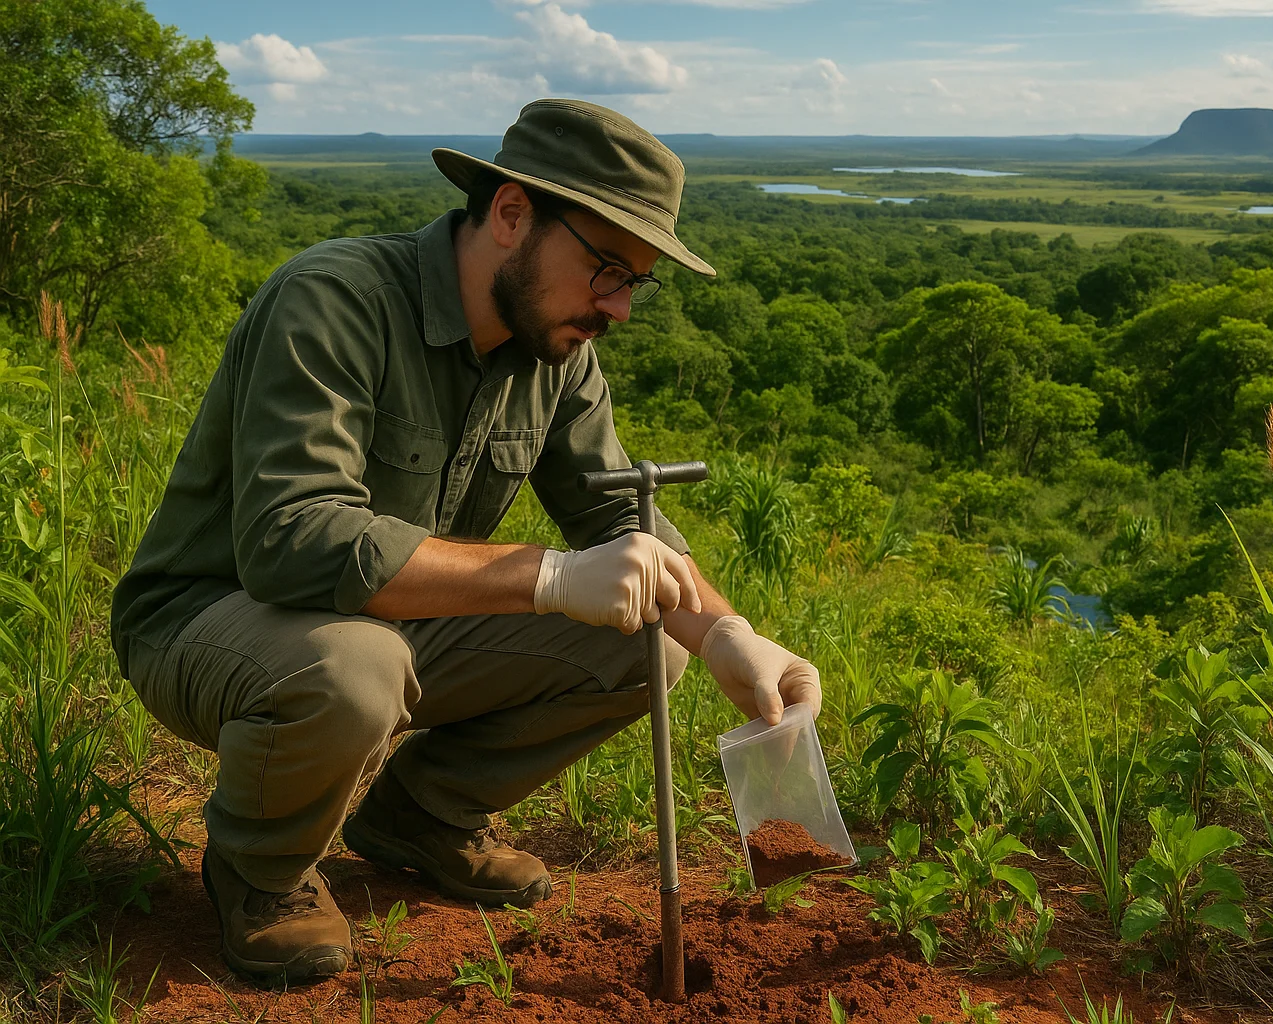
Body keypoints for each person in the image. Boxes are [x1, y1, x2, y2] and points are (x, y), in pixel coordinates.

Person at [109, 98, 821, 986]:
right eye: (606, 268)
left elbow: (612, 515)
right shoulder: (335, 300)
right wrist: (551, 575)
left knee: (647, 645)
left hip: (389, 622)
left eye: (635, 281)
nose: (620, 308)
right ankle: (261, 870)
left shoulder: (556, 354)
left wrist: (724, 633)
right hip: (212, 618)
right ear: (511, 213)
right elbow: (292, 541)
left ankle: (425, 816)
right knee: (355, 669)